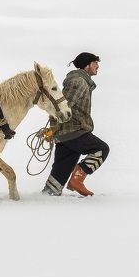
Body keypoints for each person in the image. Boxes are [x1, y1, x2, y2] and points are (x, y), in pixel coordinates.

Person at [42, 52, 110, 197]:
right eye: (95, 63)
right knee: (101, 149)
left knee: (60, 173)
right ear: (87, 65)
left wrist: (54, 130)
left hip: (66, 134)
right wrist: (54, 127)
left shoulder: (81, 81)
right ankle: (77, 180)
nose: (97, 66)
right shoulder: (79, 81)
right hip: (74, 131)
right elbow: (63, 107)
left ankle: (48, 195)